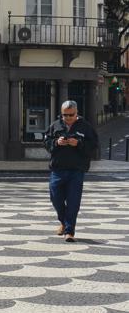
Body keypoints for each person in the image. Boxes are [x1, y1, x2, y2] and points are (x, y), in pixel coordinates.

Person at [43, 100, 98, 242]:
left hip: (76, 170)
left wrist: (78, 143)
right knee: (56, 199)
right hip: (58, 169)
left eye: (71, 115)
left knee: (73, 202)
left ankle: (69, 231)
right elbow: (46, 143)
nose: (67, 118)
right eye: (64, 115)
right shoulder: (55, 126)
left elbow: (94, 146)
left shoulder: (86, 127)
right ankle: (63, 221)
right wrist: (56, 142)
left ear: (76, 113)